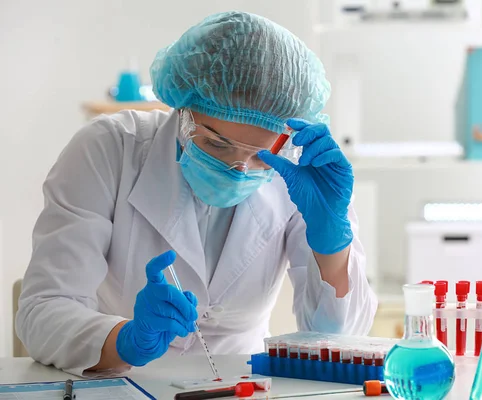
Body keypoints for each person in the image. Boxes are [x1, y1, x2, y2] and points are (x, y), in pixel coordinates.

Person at [16, 11, 377, 376]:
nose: (238, 168)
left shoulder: (300, 172)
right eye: (217, 145)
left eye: (260, 156)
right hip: (119, 381)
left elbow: (337, 341)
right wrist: (126, 339)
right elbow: (43, 312)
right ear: (183, 108)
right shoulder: (109, 151)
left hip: (244, 385)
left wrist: (331, 241)